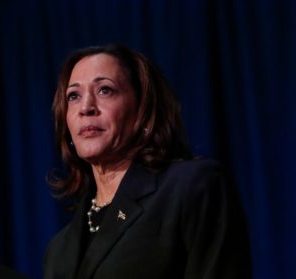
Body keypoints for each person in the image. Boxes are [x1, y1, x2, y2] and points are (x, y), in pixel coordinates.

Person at [43, 43, 252, 278]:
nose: (86, 107)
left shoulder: (192, 188)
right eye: (73, 96)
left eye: (104, 90)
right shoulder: (58, 250)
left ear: (142, 109)